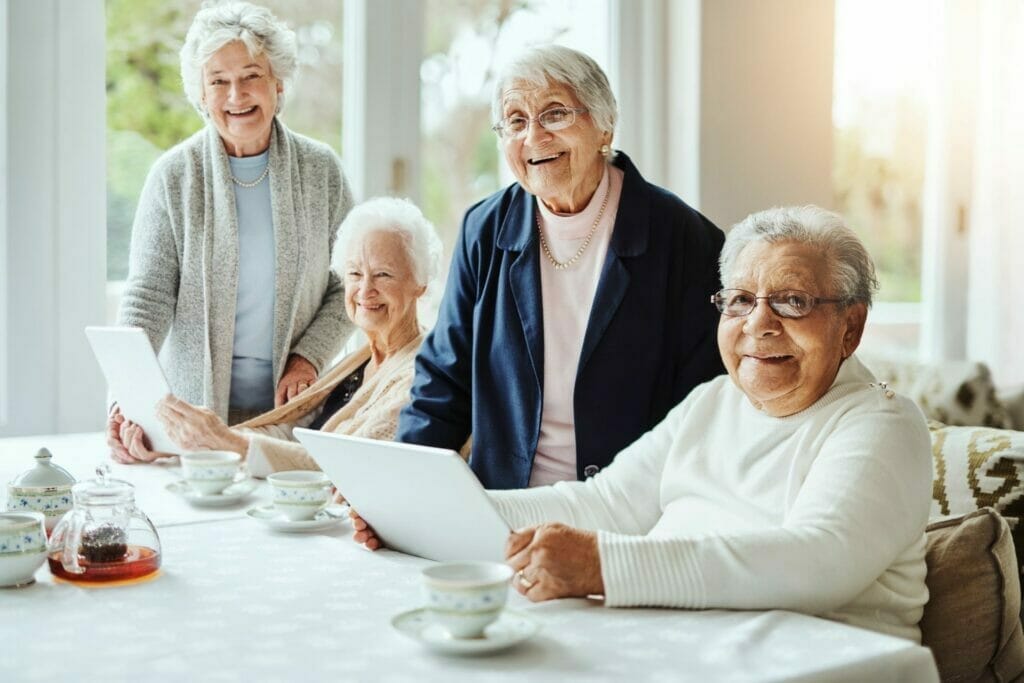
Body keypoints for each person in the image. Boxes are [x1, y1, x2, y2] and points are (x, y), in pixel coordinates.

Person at [354, 206, 933, 643]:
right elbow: (603, 503)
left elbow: (815, 560)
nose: (759, 324)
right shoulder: (713, 402)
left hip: (818, 660)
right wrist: (424, 512)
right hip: (684, 645)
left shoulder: (882, 424)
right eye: (739, 301)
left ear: (851, 327)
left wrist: (603, 565)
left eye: (792, 303)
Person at [396, 45, 725, 489]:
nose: (533, 137)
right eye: (515, 120)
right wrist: (398, 488)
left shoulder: (685, 238)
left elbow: (704, 403)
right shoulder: (484, 228)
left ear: (604, 127)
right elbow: (444, 380)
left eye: (554, 114)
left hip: (629, 505)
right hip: (505, 502)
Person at [109, 1, 354, 455]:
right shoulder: (173, 177)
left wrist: (308, 358)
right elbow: (147, 297)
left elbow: (348, 288)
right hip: (193, 421)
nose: (236, 95)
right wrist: (126, 404)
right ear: (200, 95)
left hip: (293, 418)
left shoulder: (321, 171)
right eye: (218, 81)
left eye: (251, 76)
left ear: (278, 84)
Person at [110, 197, 441, 475]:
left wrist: (228, 444)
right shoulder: (361, 360)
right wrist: (175, 445)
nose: (365, 290)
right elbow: (290, 433)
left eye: (383, 274)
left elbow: (349, 467)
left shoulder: (423, 375)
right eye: (354, 273)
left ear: (420, 282)